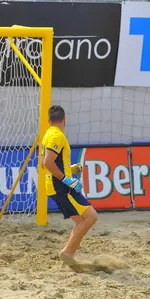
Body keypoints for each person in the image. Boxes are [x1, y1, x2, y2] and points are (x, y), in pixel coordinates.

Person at [41, 105, 98, 269]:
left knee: (81, 221)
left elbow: (47, 163)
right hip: (61, 187)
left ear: (49, 121)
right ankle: (67, 253)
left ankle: (70, 253)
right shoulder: (56, 136)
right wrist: (66, 179)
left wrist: (70, 169)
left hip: (56, 185)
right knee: (91, 217)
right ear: (65, 120)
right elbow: (47, 163)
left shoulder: (48, 135)